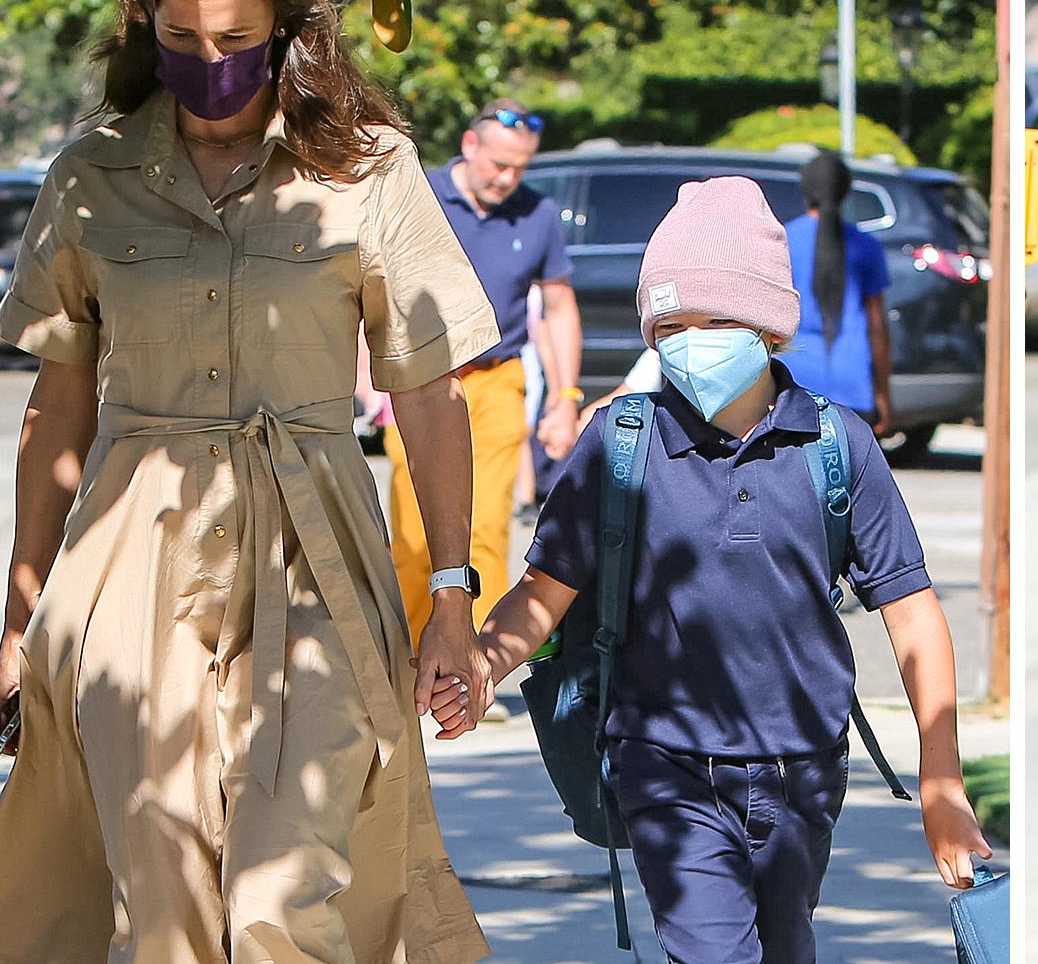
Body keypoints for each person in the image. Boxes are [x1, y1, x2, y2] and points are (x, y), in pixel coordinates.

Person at [0, 0, 491, 962]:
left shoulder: (369, 171)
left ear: (288, 28)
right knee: (161, 903)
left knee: (274, 903)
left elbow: (427, 394)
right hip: (130, 561)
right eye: (184, 38)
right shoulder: (89, 177)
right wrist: (21, 616)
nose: (212, 63)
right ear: (144, 19)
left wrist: (454, 597)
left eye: (238, 39)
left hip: (316, 556)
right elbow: (57, 403)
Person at [457, 176, 992, 958]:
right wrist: (480, 661)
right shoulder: (620, 442)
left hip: (806, 763)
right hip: (662, 758)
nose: (691, 340)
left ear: (769, 328)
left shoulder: (837, 445)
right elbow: (543, 591)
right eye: (669, 323)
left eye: (716, 319)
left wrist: (942, 779)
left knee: (784, 945)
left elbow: (911, 609)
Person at [379, 98, 582, 644]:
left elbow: (559, 307)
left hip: (497, 381)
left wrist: (566, 396)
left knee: (486, 527)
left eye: (520, 167)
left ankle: (473, 660)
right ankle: (410, 654)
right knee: (414, 529)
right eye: (499, 164)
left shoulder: (536, 215)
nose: (508, 178)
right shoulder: (420, 194)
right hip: (420, 378)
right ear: (470, 146)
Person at [779, 150, 895, 434]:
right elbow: (877, 326)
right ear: (846, 192)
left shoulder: (782, 241)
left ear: (806, 191)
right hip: (851, 384)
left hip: (792, 384)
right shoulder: (866, 247)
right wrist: (882, 394)